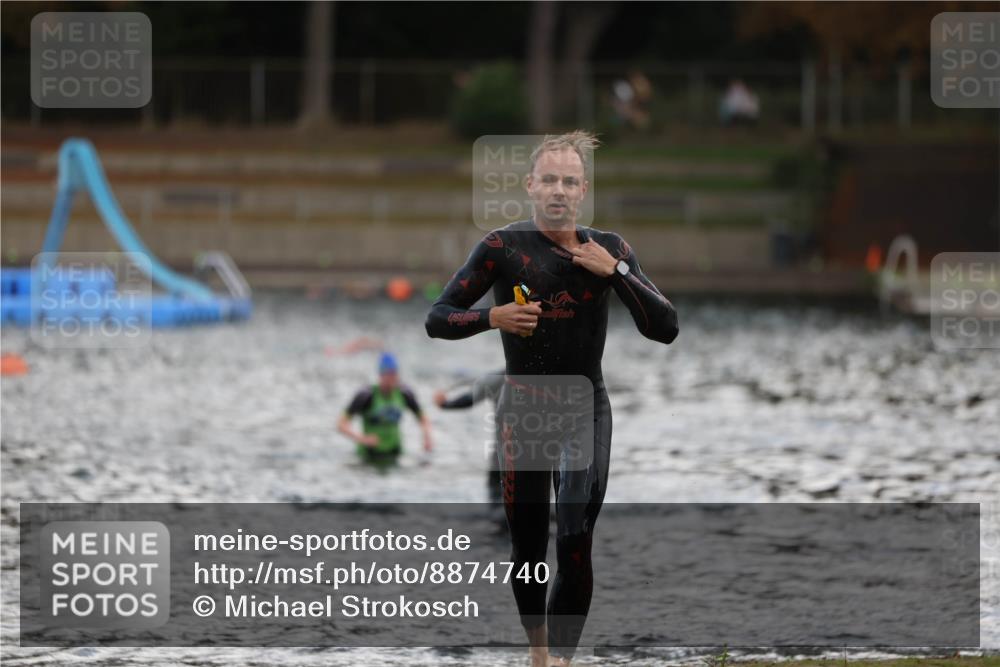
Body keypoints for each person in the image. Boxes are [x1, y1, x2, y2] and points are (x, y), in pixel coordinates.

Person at [425, 131, 678, 667]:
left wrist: (619, 273)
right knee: (528, 550)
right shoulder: (501, 248)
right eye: (549, 179)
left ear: (583, 189)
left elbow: (666, 327)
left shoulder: (609, 249)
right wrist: (490, 317)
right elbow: (437, 317)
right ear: (530, 186)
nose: (558, 190)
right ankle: (538, 654)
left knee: (576, 536)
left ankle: (562, 662)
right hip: (525, 411)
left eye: (569, 180)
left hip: (586, 406)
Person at [337, 352, 433, 468]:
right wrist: (362, 439)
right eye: (390, 374)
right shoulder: (366, 395)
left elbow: (423, 418)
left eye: (395, 374)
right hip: (369, 455)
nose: (393, 378)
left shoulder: (404, 393)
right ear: (381, 375)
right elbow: (341, 425)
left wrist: (426, 436)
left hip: (395, 451)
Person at [434, 369, 506, 510]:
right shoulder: (543, 377)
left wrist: (444, 404)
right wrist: (445, 404)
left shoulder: (498, 378)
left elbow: (469, 399)